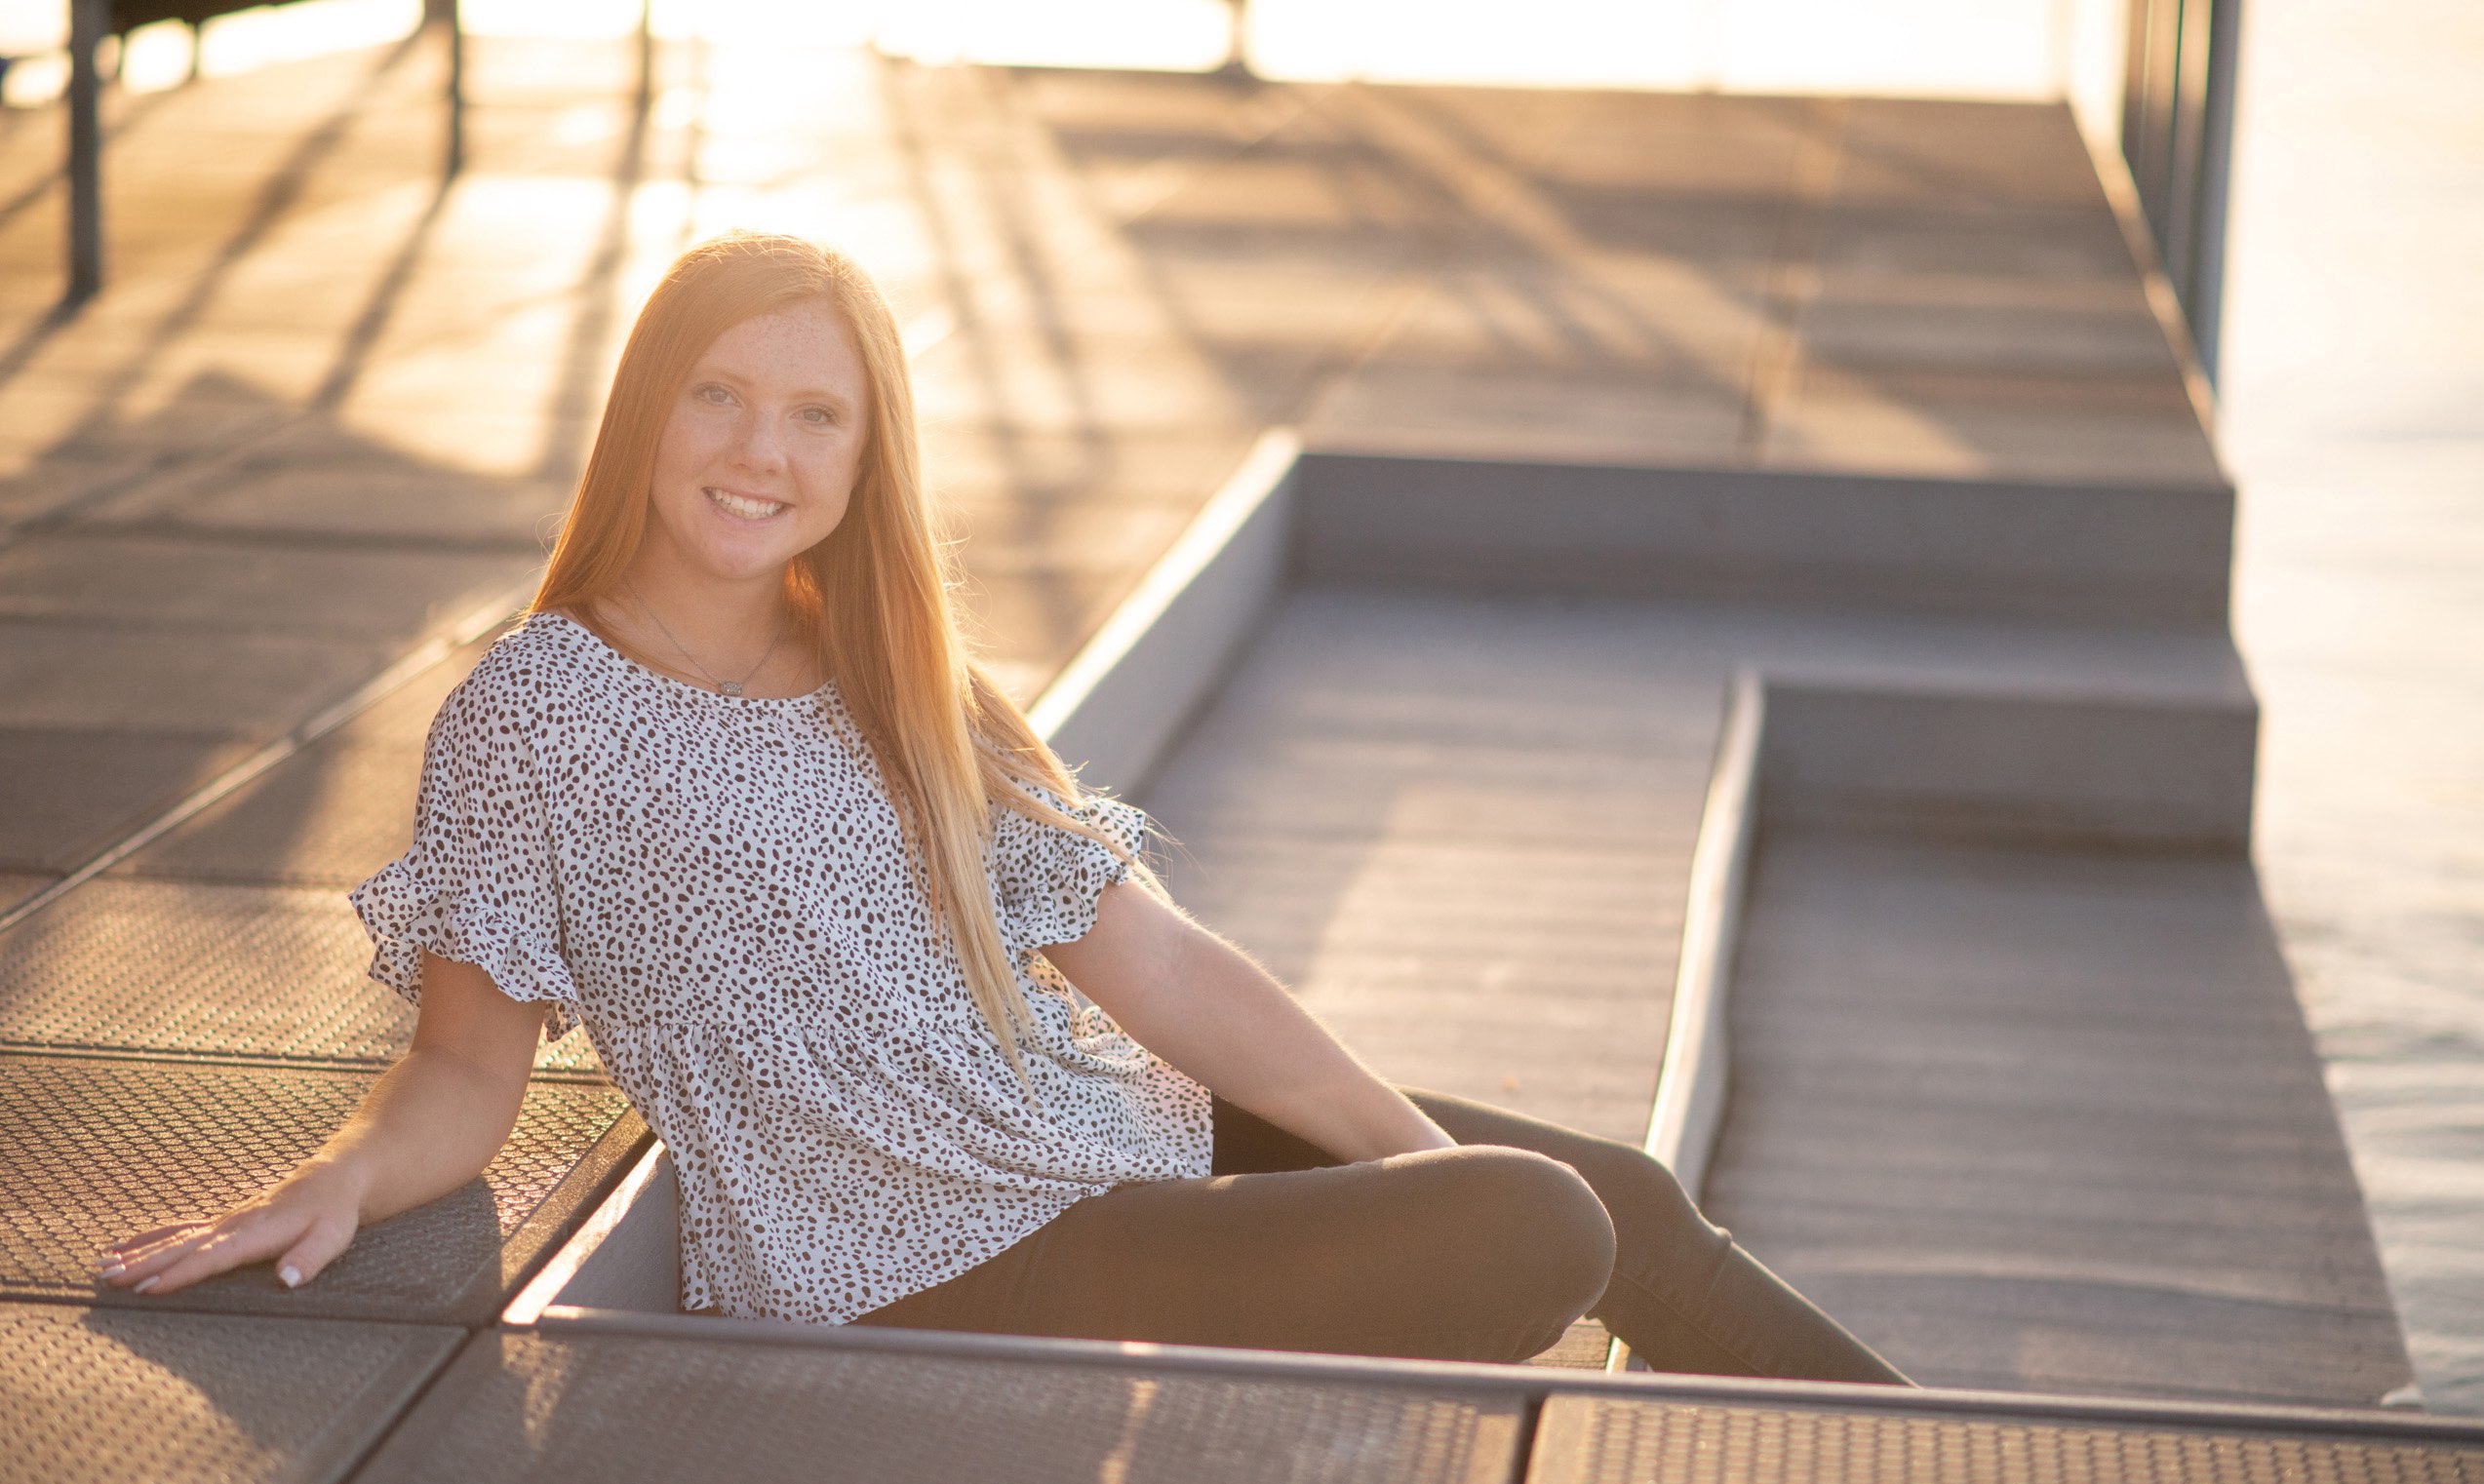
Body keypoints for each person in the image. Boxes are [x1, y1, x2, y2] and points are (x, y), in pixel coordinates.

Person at [98, 232, 1906, 1385]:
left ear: (865, 458)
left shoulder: (899, 675)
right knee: (1542, 1236)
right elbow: (470, 1070)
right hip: (903, 1264)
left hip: (1084, 1148)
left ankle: (1942, 1479)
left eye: (816, 416)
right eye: (717, 397)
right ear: (645, 415)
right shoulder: (531, 707)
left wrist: (1396, 1157)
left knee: (1620, 1205)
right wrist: (331, 1186)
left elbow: (1160, 967)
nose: (761, 452)